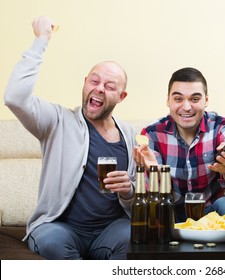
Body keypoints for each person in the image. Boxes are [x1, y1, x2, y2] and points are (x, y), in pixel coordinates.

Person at [4, 16, 136, 259]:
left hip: (110, 230)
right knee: (52, 242)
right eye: (94, 81)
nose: (99, 88)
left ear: (121, 96)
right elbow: (15, 97)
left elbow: (134, 200)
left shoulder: (130, 136)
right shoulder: (56, 120)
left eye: (109, 86)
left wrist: (129, 191)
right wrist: (40, 40)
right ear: (85, 84)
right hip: (61, 228)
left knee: (135, 238)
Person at [133, 67, 225, 223]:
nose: (186, 107)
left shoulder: (224, 128)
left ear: (206, 100)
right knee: (157, 209)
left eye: (194, 99)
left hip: (211, 212)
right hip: (171, 211)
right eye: (178, 99)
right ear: (168, 100)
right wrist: (156, 173)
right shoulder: (151, 134)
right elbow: (153, 196)